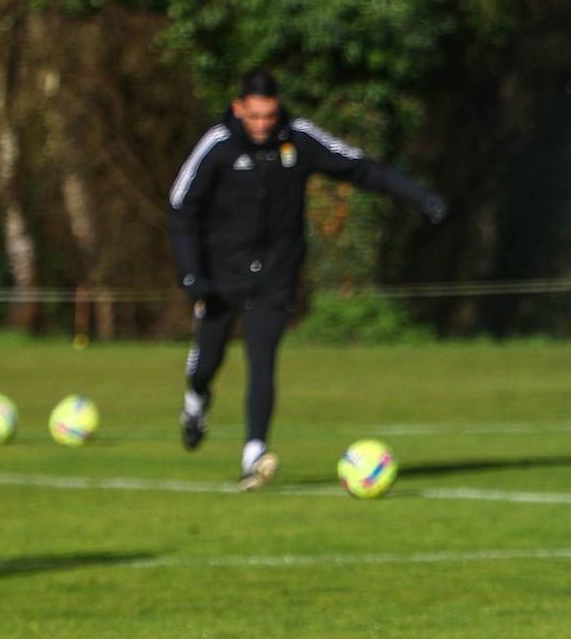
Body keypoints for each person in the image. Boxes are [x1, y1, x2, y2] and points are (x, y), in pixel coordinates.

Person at [168, 70, 446, 490]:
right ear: (239, 107)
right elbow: (181, 207)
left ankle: (254, 454)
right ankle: (196, 399)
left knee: (262, 361)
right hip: (220, 276)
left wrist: (420, 197)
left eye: (269, 115)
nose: (262, 125)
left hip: (277, 274)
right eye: (254, 116)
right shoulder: (217, 146)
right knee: (207, 363)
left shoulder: (298, 138)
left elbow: (358, 167)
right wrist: (192, 276)